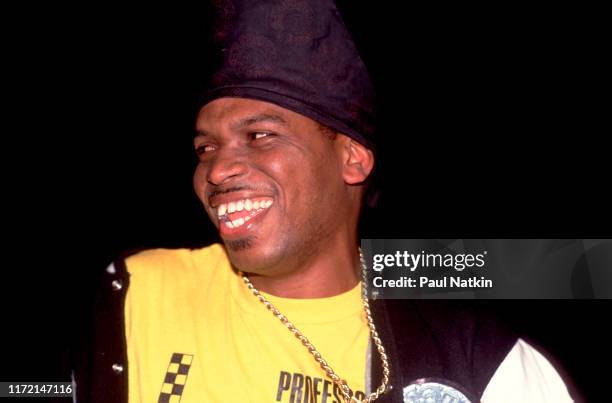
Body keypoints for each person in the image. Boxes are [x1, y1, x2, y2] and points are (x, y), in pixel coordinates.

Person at [74, 1, 579, 402]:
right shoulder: (138, 288)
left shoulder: (468, 341)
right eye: (205, 147)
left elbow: (573, 268)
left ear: (352, 160)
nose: (217, 168)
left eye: (260, 136)